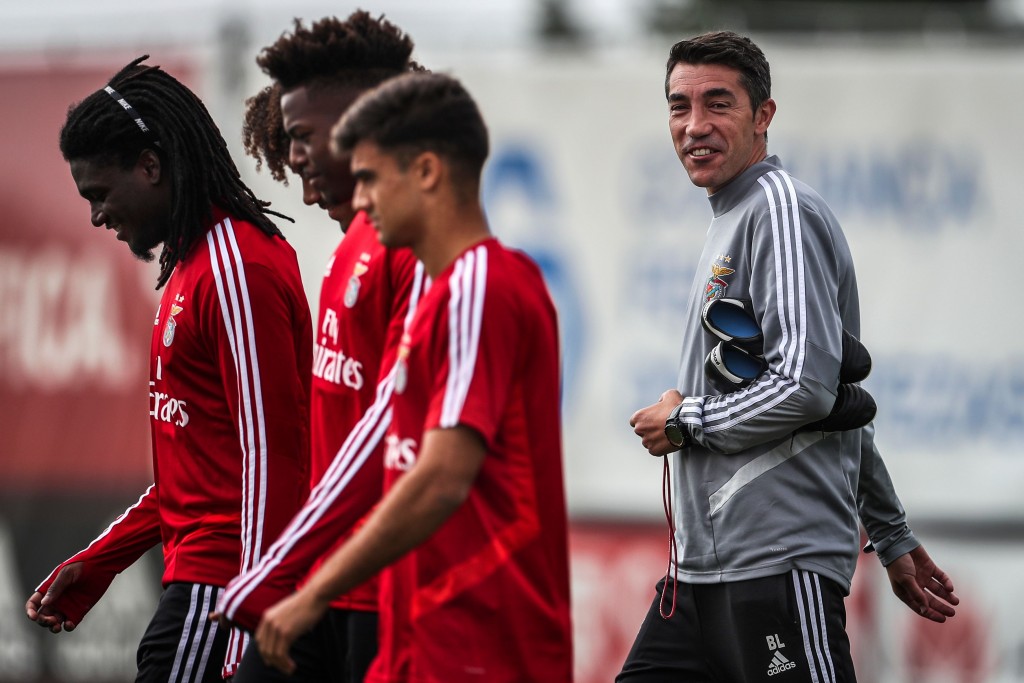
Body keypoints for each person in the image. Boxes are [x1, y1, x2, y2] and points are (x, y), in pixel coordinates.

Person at [620, 31, 959, 681]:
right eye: (678, 106)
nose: (695, 125)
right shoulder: (733, 214)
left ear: (763, 115)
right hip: (698, 579)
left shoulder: (778, 209)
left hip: (775, 566)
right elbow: (838, 404)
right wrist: (888, 530)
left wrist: (685, 419)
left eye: (717, 103)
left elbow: (805, 388)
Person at [239, 72, 574, 682]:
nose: (358, 199)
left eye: (369, 177)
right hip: (426, 636)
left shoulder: (480, 283)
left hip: (482, 643)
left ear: (425, 172)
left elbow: (442, 476)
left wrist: (311, 590)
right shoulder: (447, 295)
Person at [23, 56, 312, 682]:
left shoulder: (237, 266)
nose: (97, 216)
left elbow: (274, 461)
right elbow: (200, 473)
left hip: (224, 595)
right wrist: (101, 560)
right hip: (208, 589)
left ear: (150, 166)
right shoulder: (192, 266)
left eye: (100, 194)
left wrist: (251, 627)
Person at [218, 13, 429, 682]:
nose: (293, 152)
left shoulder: (414, 243)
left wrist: (279, 559)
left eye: (303, 136)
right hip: (324, 577)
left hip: (385, 586)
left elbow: (391, 420)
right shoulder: (351, 247)